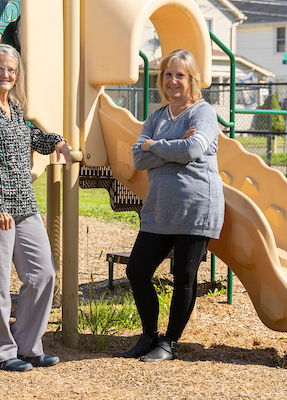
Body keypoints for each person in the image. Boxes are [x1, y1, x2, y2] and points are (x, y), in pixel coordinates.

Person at [0, 44, 71, 372]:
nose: (5, 74)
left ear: (17, 74)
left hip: (23, 204)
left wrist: (57, 141)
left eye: (11, 69)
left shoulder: (15, 108)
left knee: (43, 274)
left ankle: (28, 346)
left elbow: (27, 136)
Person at [113, 49, 224, 362]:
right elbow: (139, 158)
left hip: (195, 206)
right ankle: (149, 336)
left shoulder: (203, 113)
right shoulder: (157, 116)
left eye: (180, 75)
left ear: (192, 79)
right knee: (137, 270)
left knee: (184, 277)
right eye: (168, 74)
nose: (173, 81)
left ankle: (170, 343)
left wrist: (155, 146)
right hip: (160, 208)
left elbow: (193, 148)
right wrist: (173, 146)